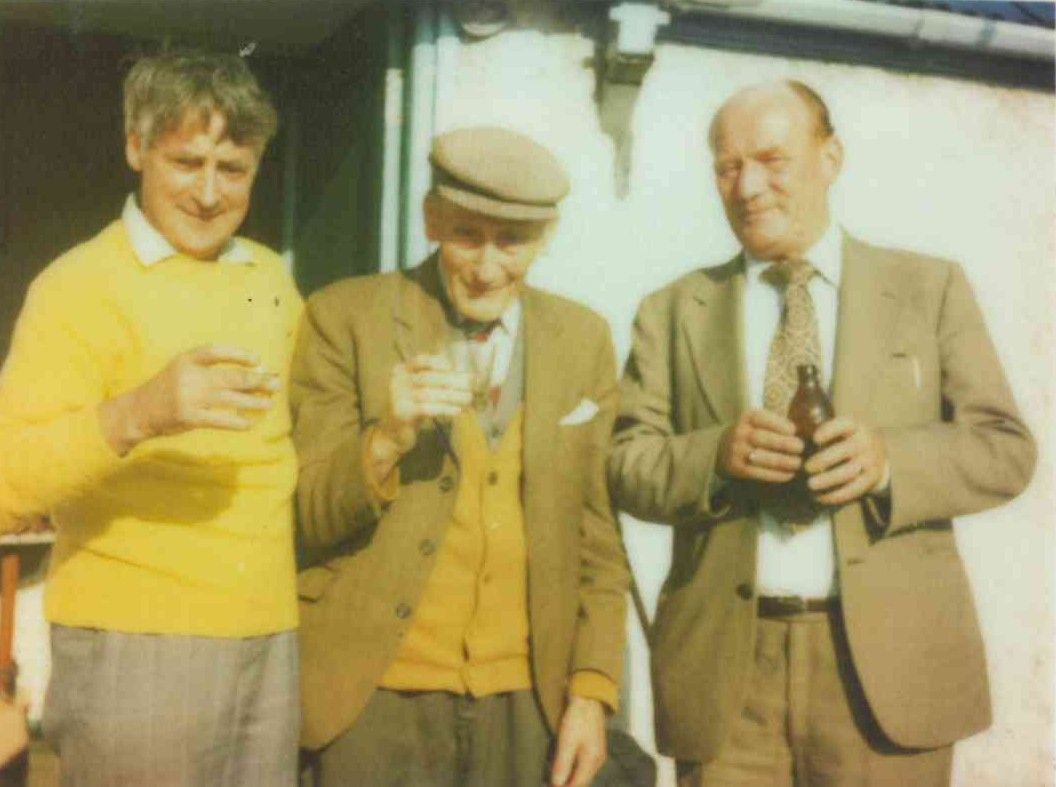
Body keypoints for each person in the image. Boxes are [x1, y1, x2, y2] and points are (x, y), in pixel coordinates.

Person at [607, 80, 1036, 786]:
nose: (747, 187)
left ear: (830, 157)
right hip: (727, 681)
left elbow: (1005, 448)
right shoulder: (673, 309)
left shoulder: (928, 289)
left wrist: (890, 461)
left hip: (887, 674)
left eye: (771, 160)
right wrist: (715, 457)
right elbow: (627, 465)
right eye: (727, 167)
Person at [291, 127, 629, 787]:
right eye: (467, 235)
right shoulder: (344, 317)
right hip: (373, 698)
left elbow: (597, 537)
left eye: (513, 241)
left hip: (528, 700)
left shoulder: (582, 338)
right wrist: (387, 437)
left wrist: (592, 690)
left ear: (547, 236)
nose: (487, 266)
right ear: (431, 219)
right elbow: (307, 513)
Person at [0, 51, 302, 786]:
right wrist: (140, 412)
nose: (208, 192)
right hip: (134, 642)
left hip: (270, 634)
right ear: (136, 147)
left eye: (232, 168)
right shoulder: (76, 285)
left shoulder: (271, 277)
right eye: (186, 161)